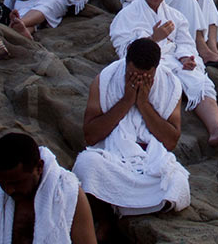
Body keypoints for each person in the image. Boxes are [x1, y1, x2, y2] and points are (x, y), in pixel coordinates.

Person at [110, 0, 218, 149]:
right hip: (148, 64)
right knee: (161, 79)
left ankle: (216, 130)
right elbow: (124, 51)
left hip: (174, 61)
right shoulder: (127, 15)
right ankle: (149, 134)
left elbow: (185, 42)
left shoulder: (175, 15)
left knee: (200, 81)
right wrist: (153, 39)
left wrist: (185, 59)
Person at [73, 37, 191, 222]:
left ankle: (115, 207)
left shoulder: (170, 84)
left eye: (146, 77)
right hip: (112, 157)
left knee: (178, 182)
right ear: (126, 63)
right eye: (132, 74)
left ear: (156, 68)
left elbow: (170, 141)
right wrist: (127, 101)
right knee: (86, 164)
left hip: (151, 160)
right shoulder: (105, 79)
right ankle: (114, 214)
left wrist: (143, 103)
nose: (138, 80)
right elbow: (91, 135)